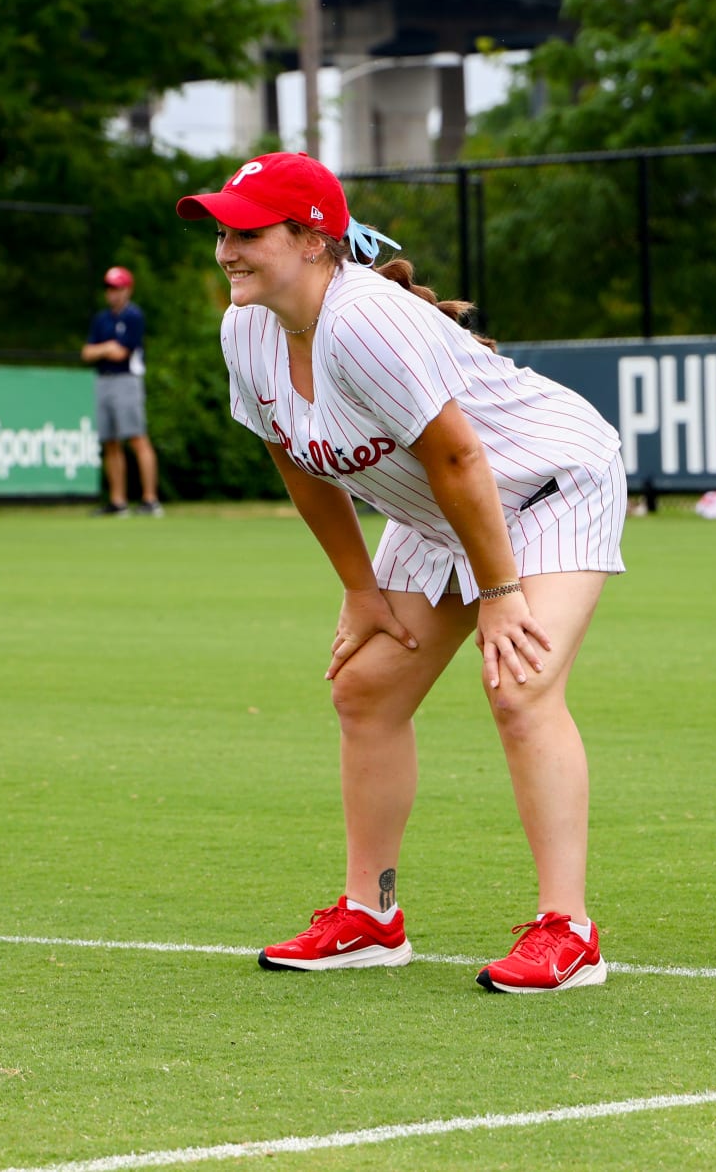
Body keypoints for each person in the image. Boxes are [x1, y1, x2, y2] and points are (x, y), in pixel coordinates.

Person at [177, 152, 627, 992]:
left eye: (246, 232)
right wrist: (359, 587)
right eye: (220, 233)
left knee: (520, 685)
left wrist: (499, 594)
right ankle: (372, 917)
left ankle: (570, 931)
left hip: (546, 486)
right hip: (440, 510)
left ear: (314, 240)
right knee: (366, 689)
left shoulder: (364, 321)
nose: (226, 249)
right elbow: (296, 461)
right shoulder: (247, 327)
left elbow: (460, 456)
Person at [82, 266, 162, 517]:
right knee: (110, 442)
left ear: (127, 289)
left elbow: (122, 353)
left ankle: (150, 500)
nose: (112, 293)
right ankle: (118, 502)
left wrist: (102, 349)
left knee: (137, 437)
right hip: (104, 380)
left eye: (117, 288)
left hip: (126, 381)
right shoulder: (101, 319)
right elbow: (87, 353)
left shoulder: (133, 316)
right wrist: (107, 347)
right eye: (109, 288)